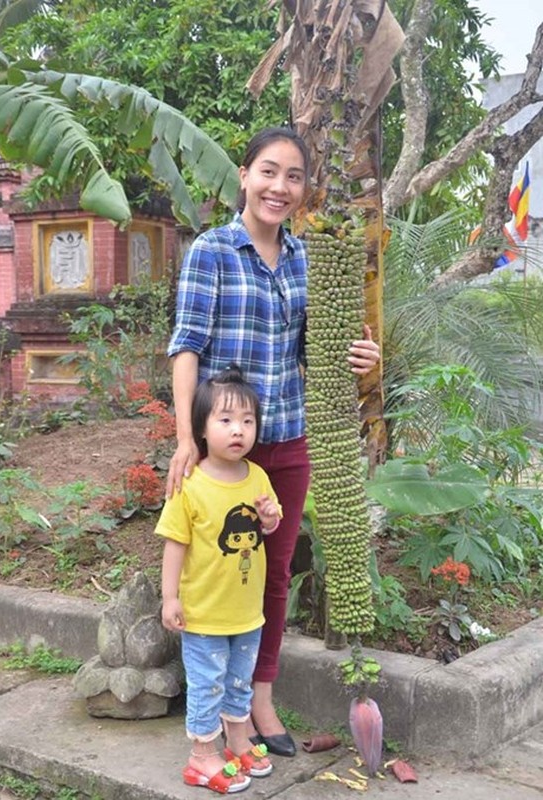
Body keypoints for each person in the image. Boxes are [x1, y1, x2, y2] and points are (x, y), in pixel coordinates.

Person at [166, 126, 380, 758]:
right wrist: (186, 438)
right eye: (268, 171)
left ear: (303, 189)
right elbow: (187, 347)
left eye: (293, 176)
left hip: (287, 438)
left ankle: (259, 696)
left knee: (275, 572)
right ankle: (216, 704)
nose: (279, 187)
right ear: (244, 175)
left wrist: (360, 356)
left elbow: (320, 349)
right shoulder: (212, 250)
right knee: (219, 568)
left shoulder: (307, 260)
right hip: (223, 447)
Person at [157, 364, 282, 793]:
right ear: (202, 428)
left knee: (238, 681)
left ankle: (238, 741)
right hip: (204, 614)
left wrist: (269, 519)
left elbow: (268, 527)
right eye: (226, 420)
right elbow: (174, 544)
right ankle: (201, 757)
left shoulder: (259, 476)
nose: (238, 430)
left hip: (247, 613)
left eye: (247, 421)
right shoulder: (190, 484)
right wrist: (169, 598)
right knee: (208, 685)